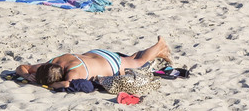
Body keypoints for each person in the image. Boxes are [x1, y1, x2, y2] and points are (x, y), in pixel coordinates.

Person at [16, 39, 172, 89]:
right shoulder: (52, 63)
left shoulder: (73, 73)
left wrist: (50, 86)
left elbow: (65, 84)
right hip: (96, 53)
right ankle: (159, 52)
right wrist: (26, 74)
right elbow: (21, 67)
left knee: (138, 62)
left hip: (111, 63)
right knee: (130, 59)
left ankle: (160, 45)